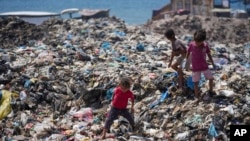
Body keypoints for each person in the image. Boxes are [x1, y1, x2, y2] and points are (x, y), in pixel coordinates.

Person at [186, 29, 216, 101]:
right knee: (196, 83)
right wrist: (187, 64)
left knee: (211, 79)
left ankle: (211, 91)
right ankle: (197, 97)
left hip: (204, 66)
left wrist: (213, 63)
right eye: (196, 41)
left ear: (203, 40)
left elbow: (209, 55)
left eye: (199, 42)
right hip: (195, 68)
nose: (197, 43)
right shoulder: (191, 45)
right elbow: (188, 54)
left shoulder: (205, 45)